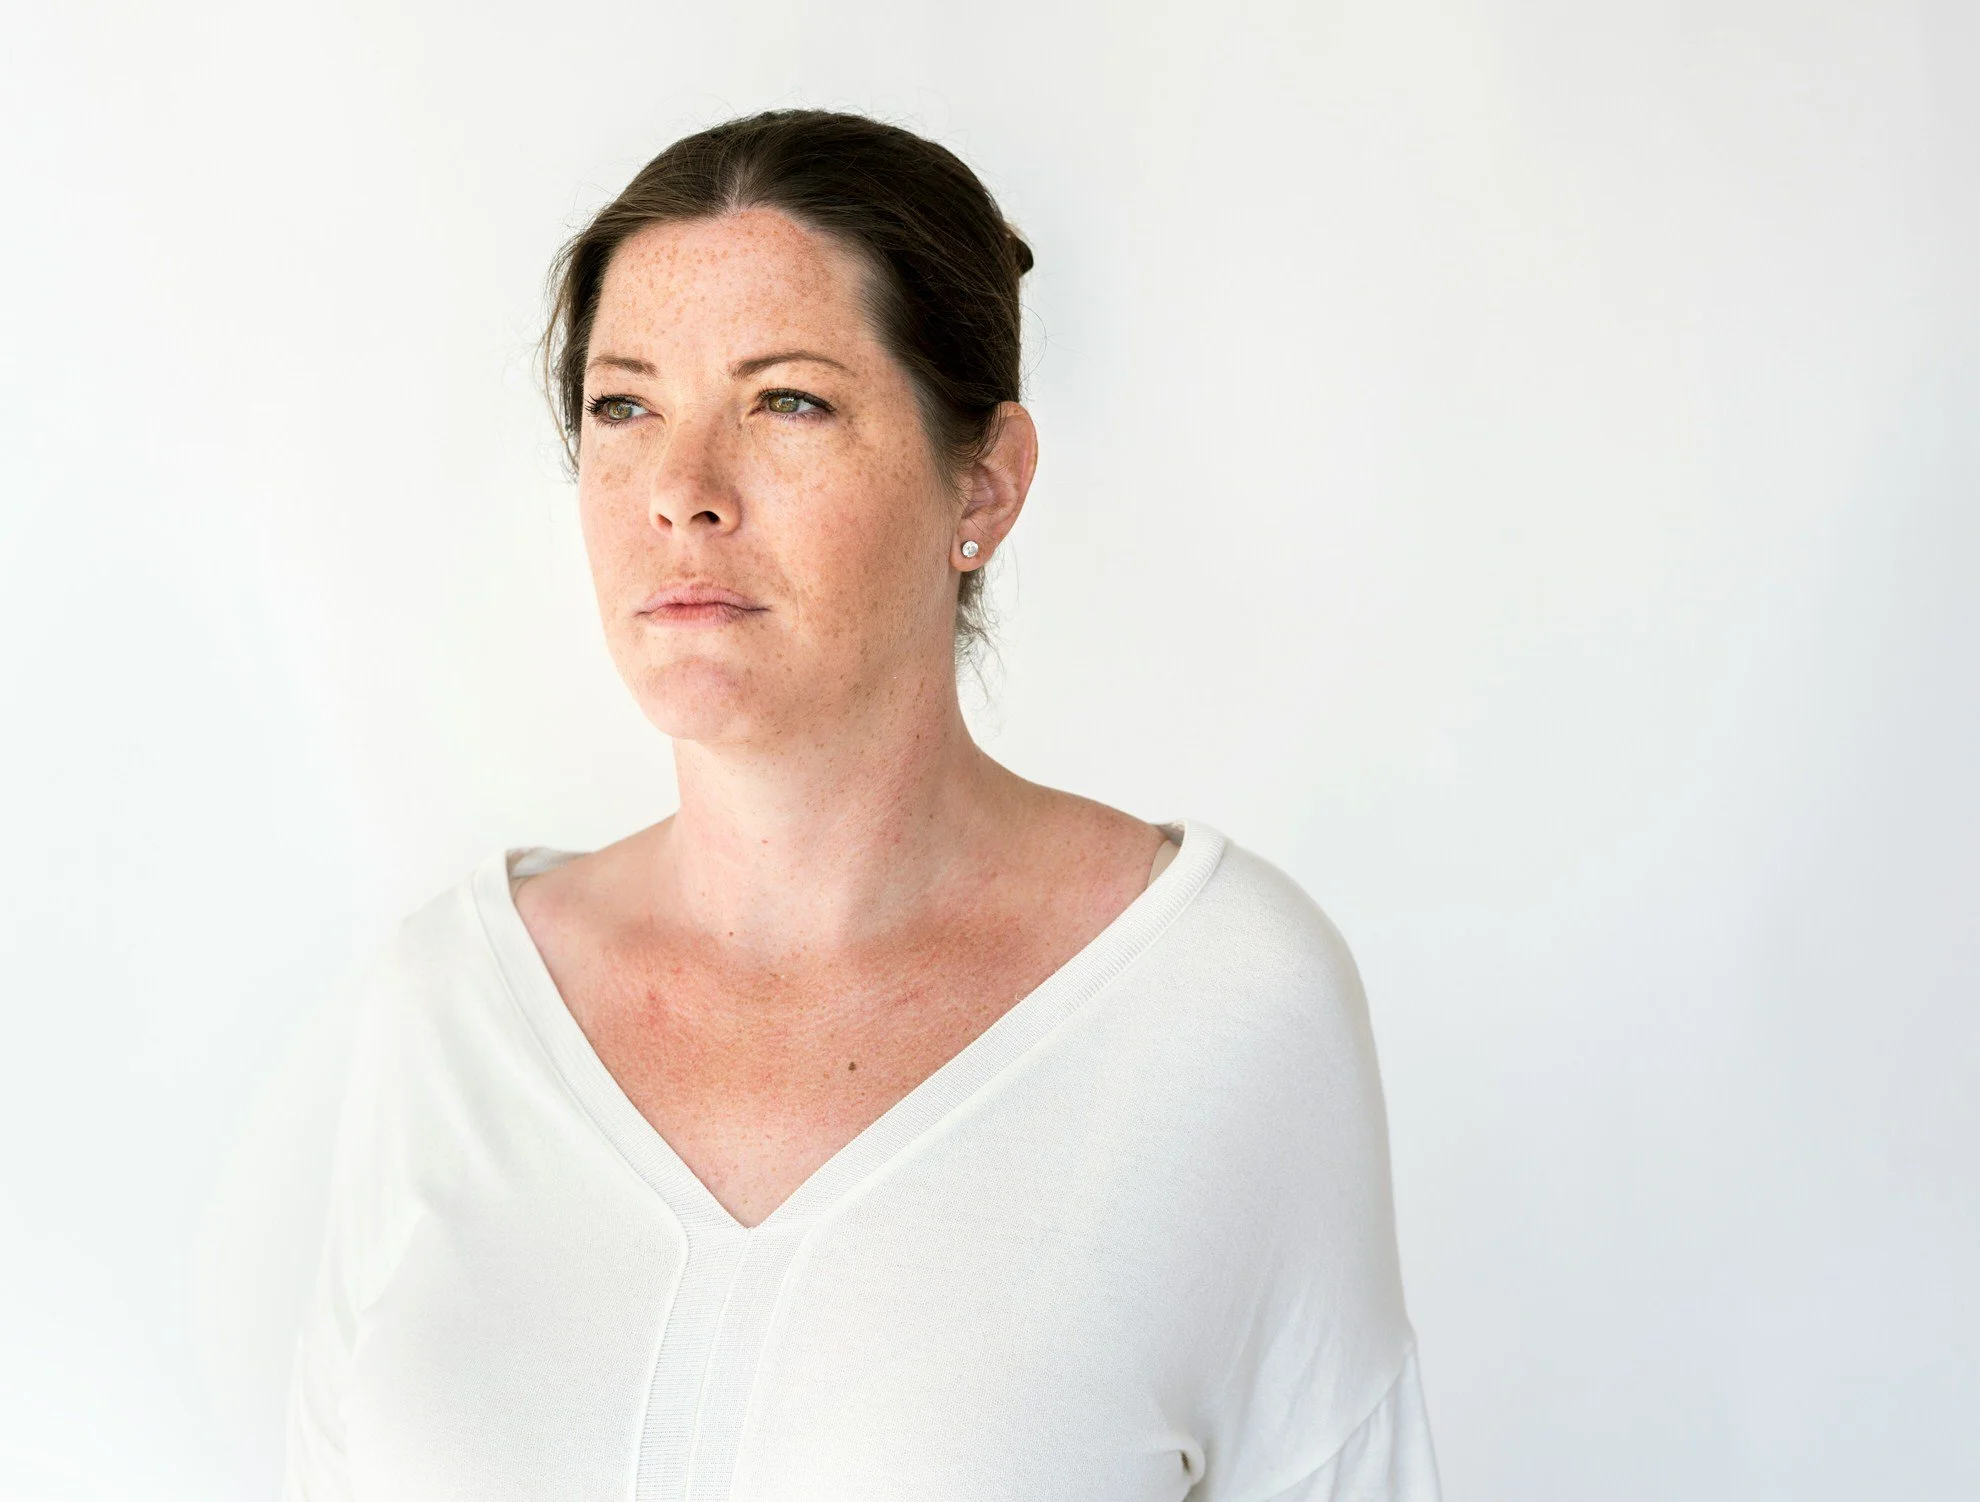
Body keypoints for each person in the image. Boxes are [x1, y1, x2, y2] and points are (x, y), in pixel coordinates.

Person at [282, 108, 1440, 1502]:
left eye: (788, 401)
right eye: (624, 404)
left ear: (986, 482)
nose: (683, 493)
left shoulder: (1220, 998)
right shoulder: (451, 1006)